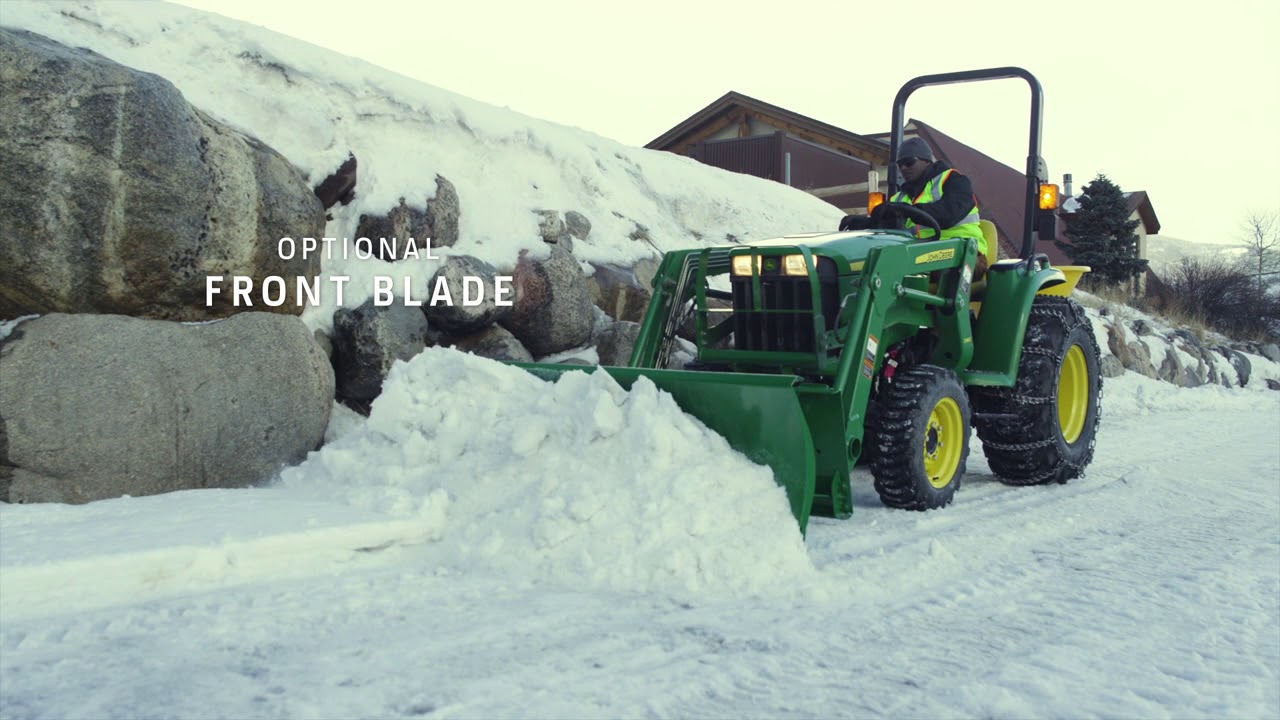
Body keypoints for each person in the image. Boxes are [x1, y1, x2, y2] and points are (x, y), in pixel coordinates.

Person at [839, 137, 989, 279]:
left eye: (909, 162)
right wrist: (864, 224)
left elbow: (949, 213)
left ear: (926, 161)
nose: (904, 168)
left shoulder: (954, 181)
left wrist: (908, 211)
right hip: (919, 254)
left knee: (923, 269)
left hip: (965, 252)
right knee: (866, 267)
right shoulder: (899, 198)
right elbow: (887, 226)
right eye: (900, 165)